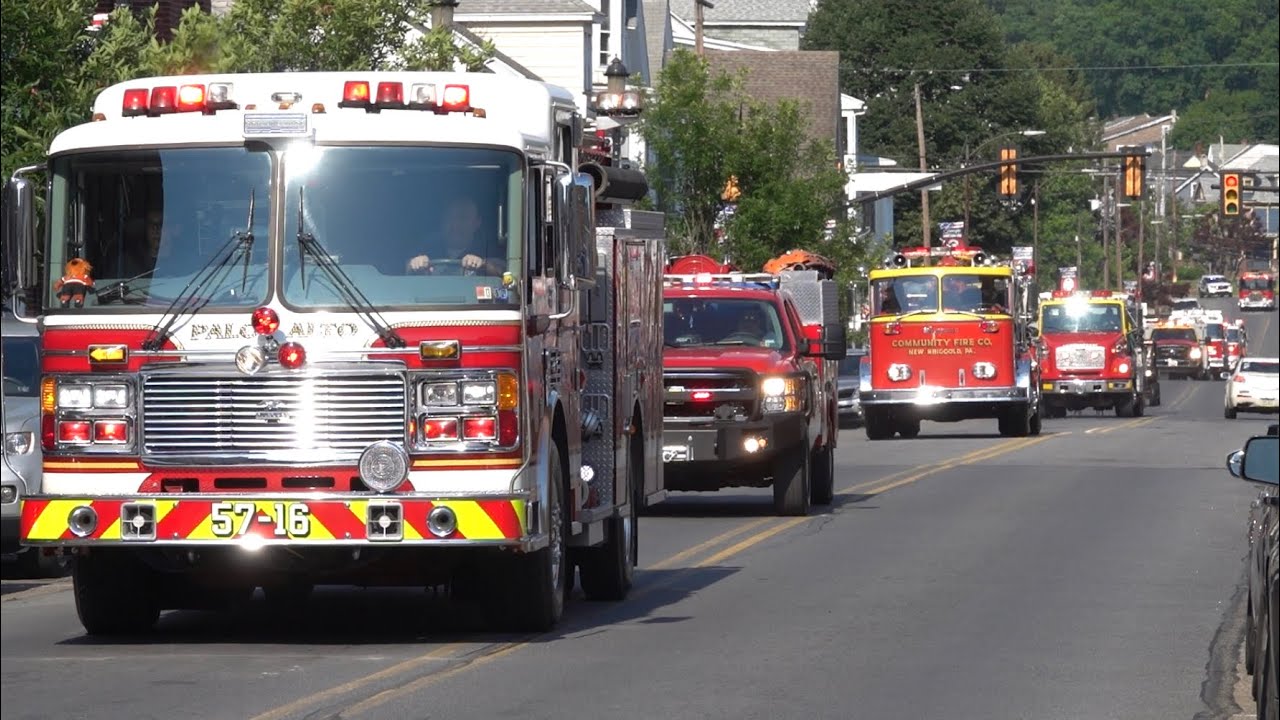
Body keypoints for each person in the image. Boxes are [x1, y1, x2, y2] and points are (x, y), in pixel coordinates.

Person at [407, 199, 503, 275]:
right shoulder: (427, 247)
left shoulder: (487, 249)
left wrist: (483, 264)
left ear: (477, 223)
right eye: (449, 217)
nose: (455, 225)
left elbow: (504, 270)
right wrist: (414, 264)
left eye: (463, 218)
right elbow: (401, 268)